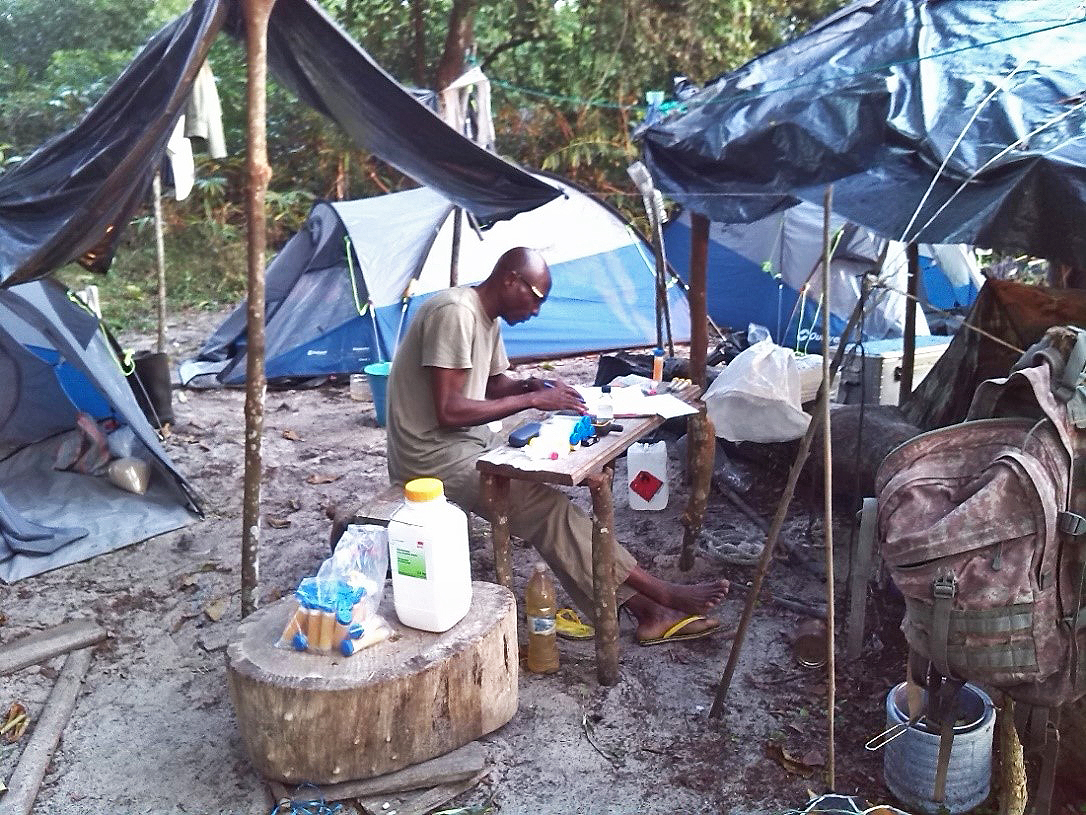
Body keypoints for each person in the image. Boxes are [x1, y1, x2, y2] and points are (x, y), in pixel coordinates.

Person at [384, 246, 729, 644]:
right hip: (430, 459)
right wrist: (532, 400)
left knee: (556, 492)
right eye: (536, 297)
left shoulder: (486, 318)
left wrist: (532, 384)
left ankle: (645, 609)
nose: (536, 311)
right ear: (510, 280)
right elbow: (450, 409)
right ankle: (659, 595)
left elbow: (494, 385)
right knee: (549, 510)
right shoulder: (455, 313)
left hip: (466, 442)